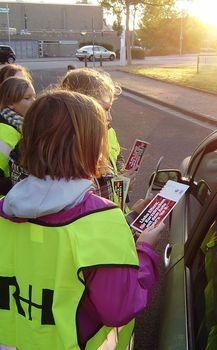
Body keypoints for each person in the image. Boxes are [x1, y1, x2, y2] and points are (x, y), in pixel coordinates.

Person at [0, 90, 163, 349]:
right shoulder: (101, 219)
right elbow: (120, 307)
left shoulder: (3, 210)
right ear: (93, 145)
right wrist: (145, 250)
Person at [59, 68, 132, 206]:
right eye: (103, 109)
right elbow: (85, 206)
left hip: (114, 215)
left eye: (109, 109)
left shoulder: (108, 131)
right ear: (79, 106)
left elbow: (117, 158)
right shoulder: (62, 151)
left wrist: (122, 178)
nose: (109, 117)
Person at [0, 77, 36, 195]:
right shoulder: (4, 131)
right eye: (27, 98)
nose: (34, 101)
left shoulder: (24, 125)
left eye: (34, 96)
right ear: (10, 103)